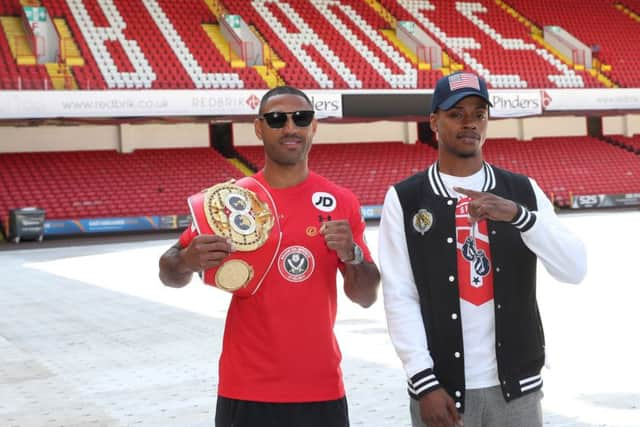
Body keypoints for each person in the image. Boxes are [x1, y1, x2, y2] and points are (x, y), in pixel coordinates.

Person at [159, 85, 380, 427]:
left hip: (320, 388)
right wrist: (187, 260)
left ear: (314, 126)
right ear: (259, 128)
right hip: (245, 389)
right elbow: (168, 273)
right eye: (277, 119)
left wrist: (351, 254)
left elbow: (365, 297)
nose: (290, 128)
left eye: (301, 118)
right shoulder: (232, 201)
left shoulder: (340, 202)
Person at [378, 72, 587, 427]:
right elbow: (400, 295)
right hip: (441, 392)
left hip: (517, 390)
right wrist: (423, 381)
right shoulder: (407, 198)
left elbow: (575, 269)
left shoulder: (521, 191)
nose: (469, 122)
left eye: (479, 113)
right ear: (434, 121)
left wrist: (522, 218)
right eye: (456, 113)